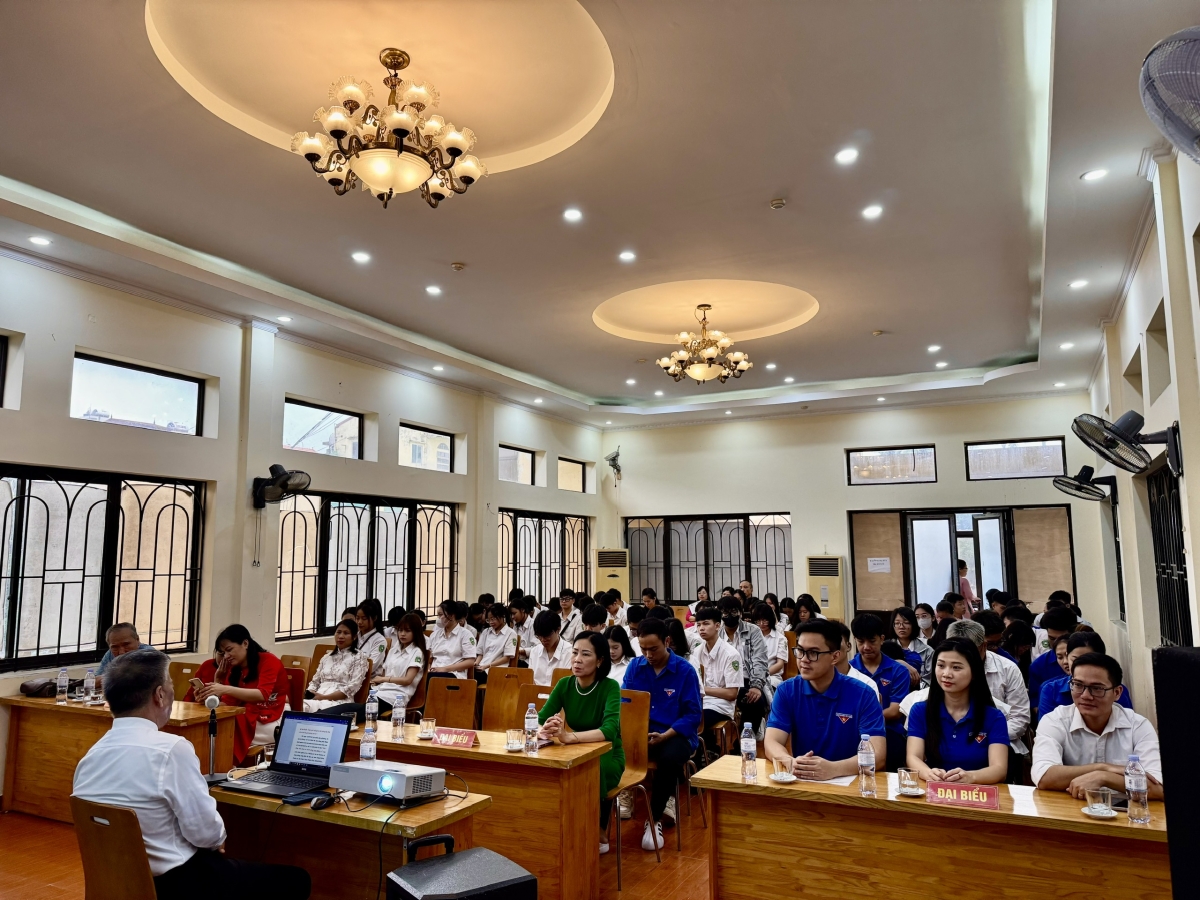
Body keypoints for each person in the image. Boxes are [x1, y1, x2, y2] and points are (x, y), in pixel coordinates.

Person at [73, 649, 311, 899]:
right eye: (170, 683)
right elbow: (206, 834)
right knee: (297, 879)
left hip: (115, 881)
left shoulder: (91, 756)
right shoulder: (170, 750)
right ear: (159, 695)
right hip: (176, 885)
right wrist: (217, 840)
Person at [765, 620, 886, 781]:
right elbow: (772, 741)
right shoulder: (787, 690)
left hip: (851, 782)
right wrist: (790, 762)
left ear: (835, 656)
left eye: (813, 653)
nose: (804, 659)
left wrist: (834, 769)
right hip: (803, 779)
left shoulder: (863, 694)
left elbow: (878, 755)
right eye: (800, 651)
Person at [537, 632, 626, 854]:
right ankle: (563, 827)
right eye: (575, 652)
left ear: (600, 660)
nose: (577, 659)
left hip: (608, 752)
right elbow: (540, 718)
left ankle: (597, 828)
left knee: (592, 769)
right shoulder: (565, 684)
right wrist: (544, 728)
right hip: (575, 749)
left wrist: (569, 737)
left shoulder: (610, 687)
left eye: (585, 654)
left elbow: (609, 730)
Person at [1032, 653, 1162, 800]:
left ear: (1117, 693)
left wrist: (1103, 777)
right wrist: (1102, 767)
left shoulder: (1138, 726)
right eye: (1078, 685)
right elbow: (1043, 777)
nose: (1086, 695)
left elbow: (1159, 788)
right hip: (1073, 809)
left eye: (1097, 688)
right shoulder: (1055, 721)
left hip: (1128, 811)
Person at [622, 619, 702, 852]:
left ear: (667, 642)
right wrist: (635, 732)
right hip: (642, 733)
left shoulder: (685, 671)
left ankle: (654, 818)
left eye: (653, 649)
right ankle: (607, 818)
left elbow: (693, 715)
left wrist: (665, 735)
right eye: (643, 648)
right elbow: (626, 704)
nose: (648, 655)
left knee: (669, 758)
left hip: (675, 734)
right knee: (610, 749)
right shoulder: (635, 667)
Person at [905, 638, 1009, 786]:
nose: (946, 674)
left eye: (956, 667)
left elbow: (999, 769)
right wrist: (928, 773)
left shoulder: (994, 717)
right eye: (941, 665)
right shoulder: (920, 711)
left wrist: (971, 777)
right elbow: (913, 757)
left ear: (974, 672)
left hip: (977, 793)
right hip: (933, 790)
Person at [195, 624, 288, 765]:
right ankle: (214, 767)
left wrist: (224, 688)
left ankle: (225, 767)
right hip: (245, 712)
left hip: (270, 714)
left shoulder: (269, 660)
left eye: (229, 650)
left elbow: (262, 694)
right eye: (223, 653)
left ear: (245, 643)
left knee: (225, 727)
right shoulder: (234, 667)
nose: (226, 656)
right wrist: (209, 698)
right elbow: (228, 703)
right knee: (209, 721)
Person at [849, 614, 911, 770]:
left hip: (889, 732)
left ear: (882, 639)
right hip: (853, 731)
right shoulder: (849, 670)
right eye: (861, 641)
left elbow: (895, 711)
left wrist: (866, 720)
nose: (866, 647)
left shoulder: (898, 671)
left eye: (872, 641)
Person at [1038, 632, 1134, 718]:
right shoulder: (1050, 690)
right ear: (1067, 656)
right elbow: (1048, 728)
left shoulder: (1113, 690)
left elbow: (1126, 724)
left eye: (1097, 688)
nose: (1086, 696)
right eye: (1075, 659)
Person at [718, 595, 769, 737]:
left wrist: (756, 685)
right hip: (723, 683)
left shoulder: (753, 630)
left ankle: (744, 739)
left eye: (734, 611)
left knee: (755, 702)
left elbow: (759, 659)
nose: (729, 616)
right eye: (725, 612)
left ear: (741, 612)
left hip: (747, 681)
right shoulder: (717, 633)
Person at [692, 606, 744, 749]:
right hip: (701, 702)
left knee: (695, 720)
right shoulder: (697, 651)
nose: (701, 628)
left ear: (717, 626)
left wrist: (702, 689)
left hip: (721, 705)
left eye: (706, 624)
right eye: (698, 625)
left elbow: (732, 694)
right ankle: (709, 750)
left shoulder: (731, 654)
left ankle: (708, 751)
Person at [302, 619, 368, 711]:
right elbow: (315, 682)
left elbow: (353, 686)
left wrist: (324, 697)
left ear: (354, 637)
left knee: (303, 707)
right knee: (289, 706)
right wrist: (311, 694)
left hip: (340, 702)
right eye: (338, 632)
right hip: (317, 698)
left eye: (346, 633)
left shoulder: (359, 657)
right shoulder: (326, 657)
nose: (341, 636)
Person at [1029, 607, 1078, 715]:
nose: (1057, 643)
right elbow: (1034, 702)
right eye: (1052, 638)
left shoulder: (1092, 661)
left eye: (1062, 638)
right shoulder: (1039, 666)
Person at [428, 599, 478, 679]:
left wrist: (445, 669)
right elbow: (429, 659)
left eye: (440, 615)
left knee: (434, 678)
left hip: (454, 674)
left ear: (451, 615)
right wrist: (428, 669)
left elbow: (470, 661)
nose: (438, 618)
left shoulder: (466, 635)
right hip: (434, 673)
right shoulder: (434, 635)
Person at [833, 621, 881, 702]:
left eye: (836, 641)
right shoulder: (815, 683)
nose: (832, 647)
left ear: (848, 646)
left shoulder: (866, 684)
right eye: (827, 643)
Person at [475, 603, 518, 681]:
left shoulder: (511, 633)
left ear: (502, 616)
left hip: (497, 670)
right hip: (482, 667)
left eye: (493, 619)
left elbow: (506, 658)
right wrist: (476, 664)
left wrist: (487, 666)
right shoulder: (486, 632)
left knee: (476, 677)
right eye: (488, 620)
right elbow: (480, 654)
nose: (491, 622)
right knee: (467, 673)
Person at [529, 610, 572, 685]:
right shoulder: (534, 652)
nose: (543, 640)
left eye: (547, 635)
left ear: (558, 629)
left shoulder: (570, 653)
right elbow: (531, 682)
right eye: (539, 636)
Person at [890, 606, 932, 682]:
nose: (901, 627)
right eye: (897, 623)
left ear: (914, 624)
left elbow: (929, 680)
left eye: (906, 622)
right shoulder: (885, 649)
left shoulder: (927, 651)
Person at [752, 603, 788, 692]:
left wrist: (762, 675)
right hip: (752, 676)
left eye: (765, 620)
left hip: (772, 677)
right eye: (758, 621)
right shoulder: (751, 637)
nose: (761, 624)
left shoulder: (780, 638)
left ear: (771, 619)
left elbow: (779, 664)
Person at [354, 599, 388, 672]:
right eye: (357, 618)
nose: (359, 622)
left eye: (364, 618)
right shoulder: (354, 636)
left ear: (374, 618)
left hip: (370, 678)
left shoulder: (380, 641)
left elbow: (371, 666)